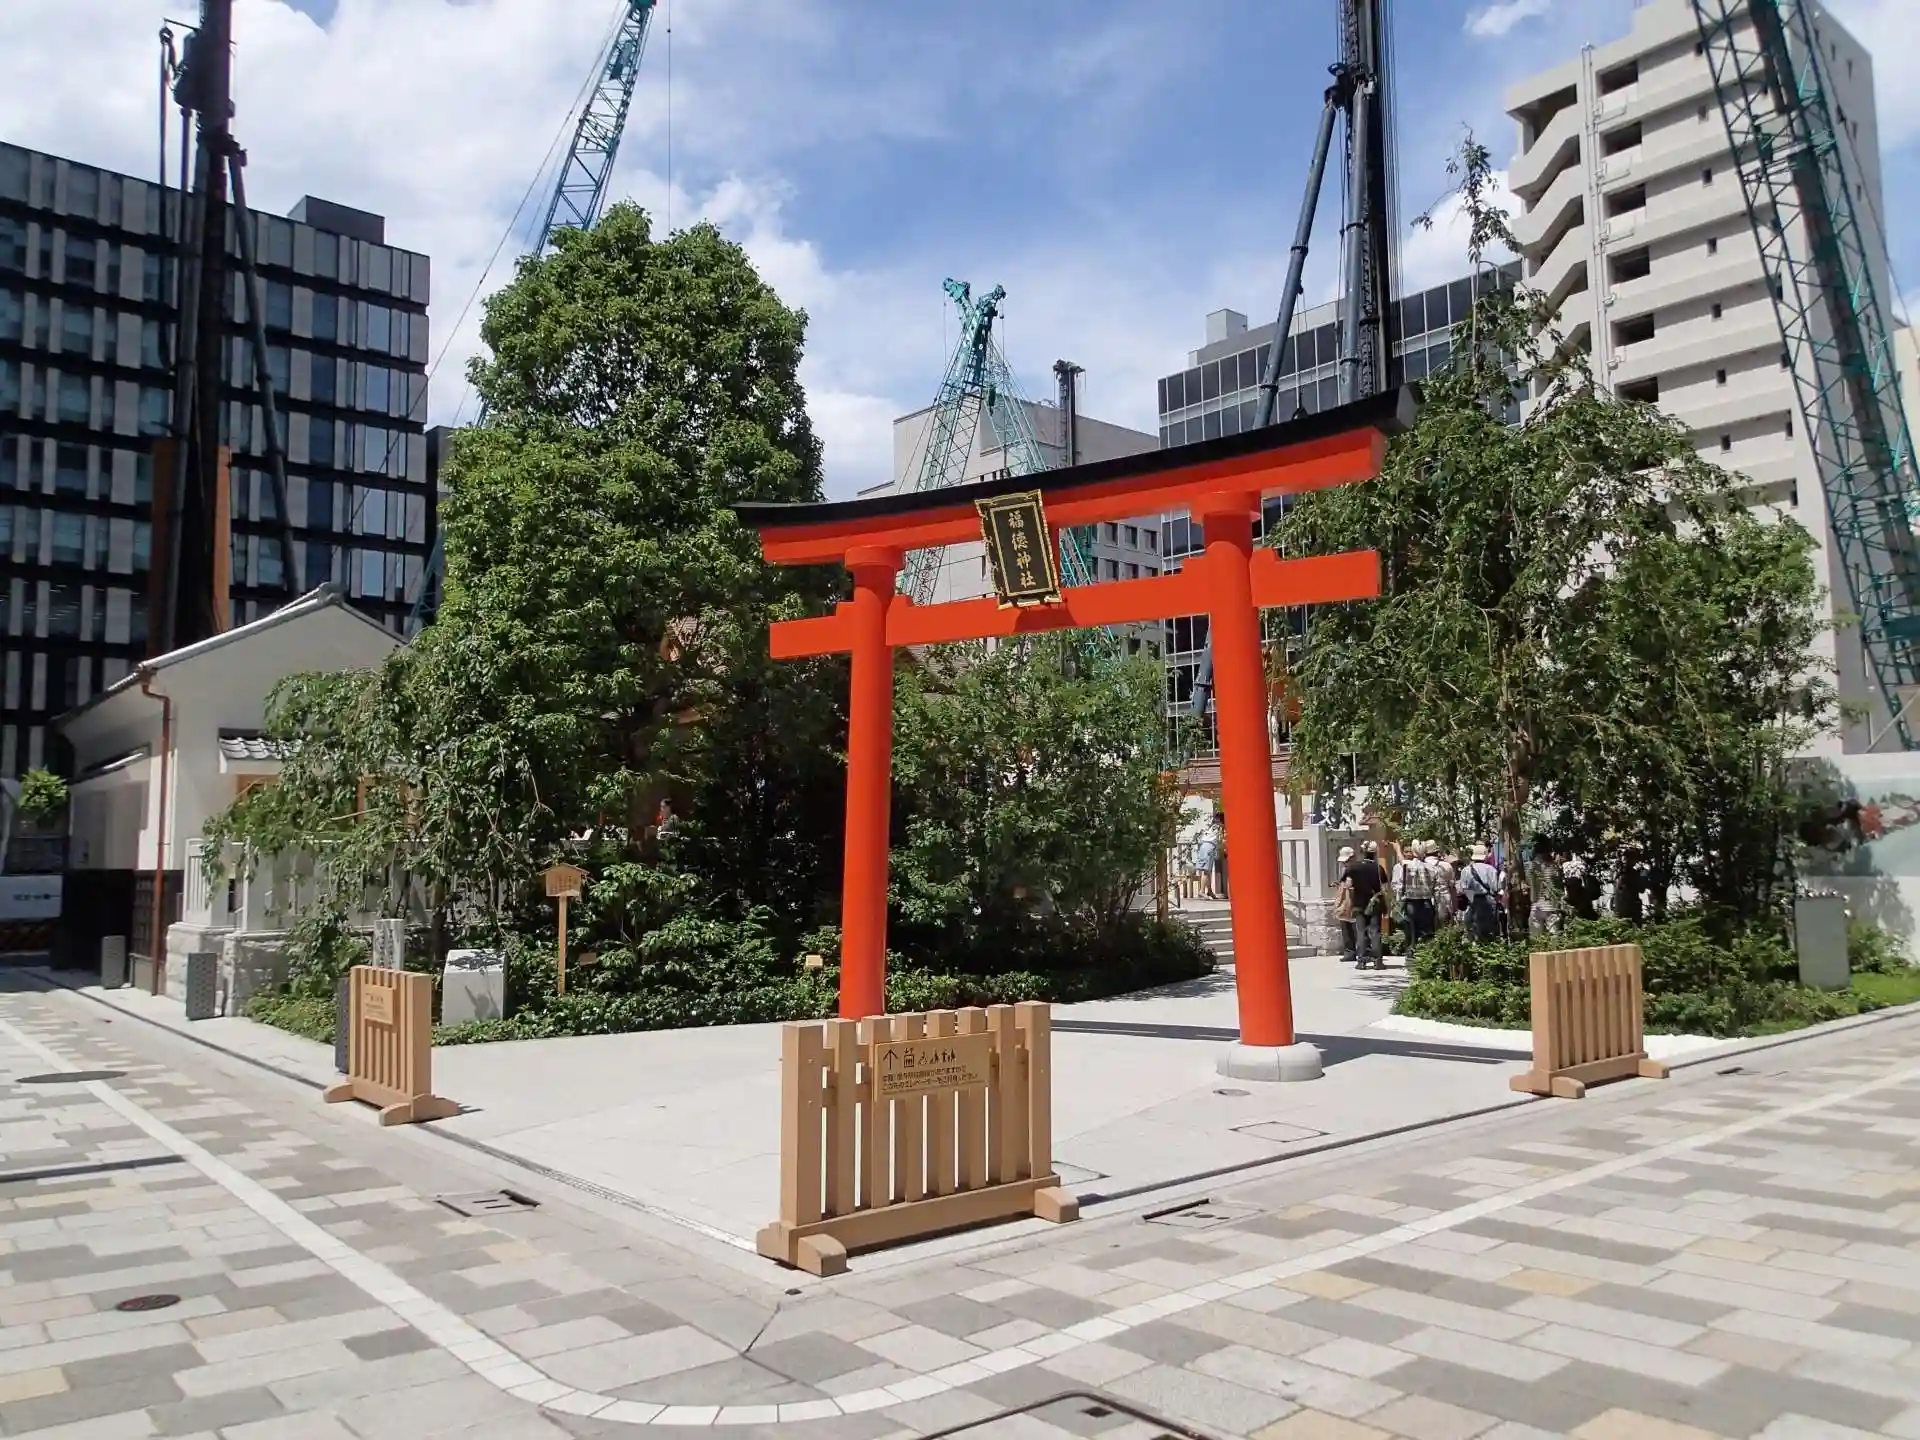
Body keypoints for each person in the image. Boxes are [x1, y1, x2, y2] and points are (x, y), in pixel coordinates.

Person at [1343, 842, 1389, 970]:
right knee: (1375, 932)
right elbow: (1384, 889)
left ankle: (1362, 961)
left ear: (1362, 852)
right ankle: (1377, 961)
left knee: (1361, 932)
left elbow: (1348, 885)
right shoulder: (1379, 869)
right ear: (1375, 853)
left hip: (1359, 903)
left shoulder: (1353, 867)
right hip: (1375, 904)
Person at [1396, 839, 1438, 956]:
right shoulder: (1431, 868)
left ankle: (1411, 952)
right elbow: (1435, 886)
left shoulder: (1408, 865)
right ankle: (1426, 955)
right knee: (1427, 932)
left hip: (1412, 902)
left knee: (1411, 931)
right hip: (1427, 902)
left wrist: (1397, 848)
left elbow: (1400, 859)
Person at [1460, 842, 1501, 942]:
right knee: (1490, 930)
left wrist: (1472, 900)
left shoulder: (1465, 870)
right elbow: (1496, 888)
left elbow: (1465, 889)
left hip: (1474, 901)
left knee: (1474, 929)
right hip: (1489, 900)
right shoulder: (1491, 869)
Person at [1333, 845, 1358, 962]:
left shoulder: (1357, 870)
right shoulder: (1344, 870)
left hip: (1355, 902)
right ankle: (1349, 952)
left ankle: (1362, 952)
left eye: (1347, 861)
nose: (1344, 863)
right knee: (1346, 928)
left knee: (1357, 929)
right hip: (1344, 903)